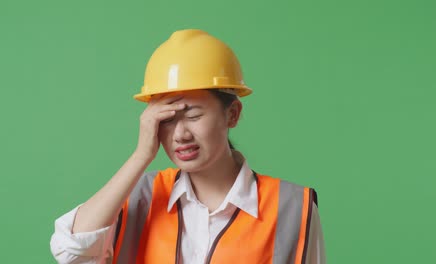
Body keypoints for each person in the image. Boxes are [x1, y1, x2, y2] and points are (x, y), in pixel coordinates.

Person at [50, 29, 326, 264]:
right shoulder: (139, 196)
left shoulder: (292, 206)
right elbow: (71, 250)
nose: (180, 134)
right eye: (167, 120)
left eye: (193, 115)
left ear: (232, 114)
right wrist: (140, 156)